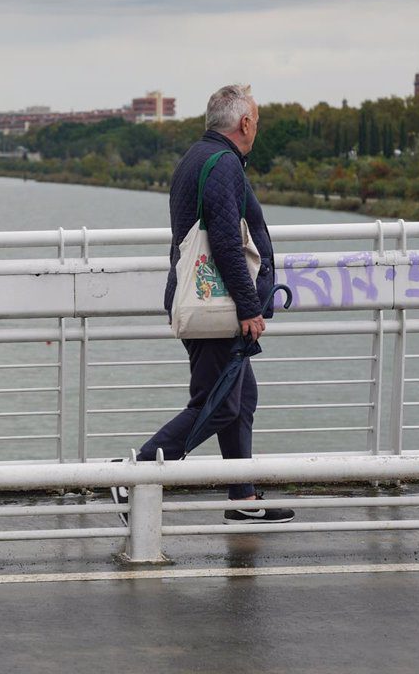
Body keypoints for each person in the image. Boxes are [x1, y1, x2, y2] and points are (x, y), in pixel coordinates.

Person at [113, 84, 295, 525]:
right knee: (216, 404)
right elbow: (228, 244)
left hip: (205, 300)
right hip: (216, 308)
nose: (258, 126)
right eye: (257, 119)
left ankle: (243, 497)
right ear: (245, 122)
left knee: (240, 399)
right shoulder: (223, 164)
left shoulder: (199, 157)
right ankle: (133, 475)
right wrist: (251, 307)